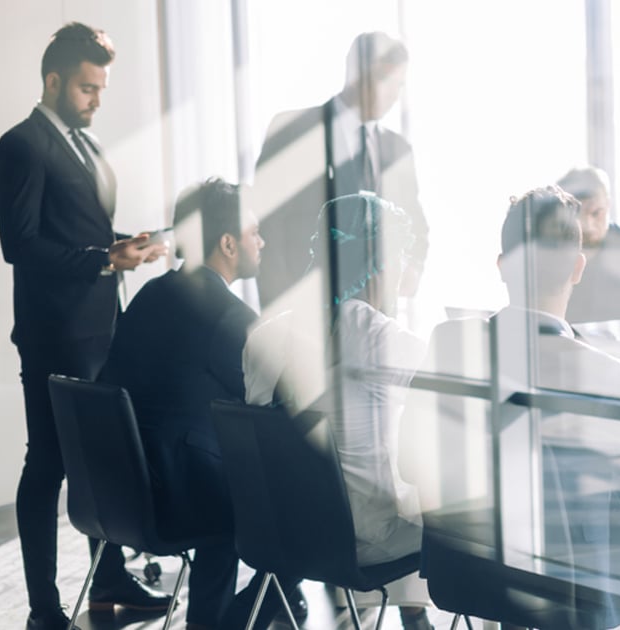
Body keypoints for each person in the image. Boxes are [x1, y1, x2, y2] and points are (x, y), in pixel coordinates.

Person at [398, 186, 620, 628]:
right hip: (572, 582)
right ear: (578, 268)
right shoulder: (594, 368)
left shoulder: (448, 343)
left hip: (466, 570)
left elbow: (409, 462)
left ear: (503, 267)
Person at [0, 22, 170, 629]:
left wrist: (128, 246)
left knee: (101, 461)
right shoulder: (20, 144)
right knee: (47, 464)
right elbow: (20, 245)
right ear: (54, 81)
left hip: (102, 328)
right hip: (55, 335)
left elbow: (82, 234)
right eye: (88, 88)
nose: (98, 99)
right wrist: (102, 260)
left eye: (102, 88)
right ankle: (44, 608)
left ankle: (108, 581)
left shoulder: (84, 146)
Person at [97, 178, 292, 629]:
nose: (261, 241)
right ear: (227, 243)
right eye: (253, 232)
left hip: (121, 493)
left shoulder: (150, 295)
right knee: (301, 511)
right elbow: (273, 403)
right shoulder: (229, 316)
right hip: (179, 499)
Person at [243, 192, 435, 630]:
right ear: (380, 262)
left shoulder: (264, 334)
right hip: (362, 541)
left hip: (284, 533)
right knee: (457, 517)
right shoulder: (385, 339)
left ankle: (413, 616)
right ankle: (419, 617)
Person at [253, 31, 430, 312]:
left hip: (377, 322)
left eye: (400, 85)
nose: (394, 95)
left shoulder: (398, 149)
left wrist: (414, 268)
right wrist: (281, 316)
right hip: (304, 315)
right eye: (385, 79)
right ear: (355, 71)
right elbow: (265, 225)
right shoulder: (293, 131)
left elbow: (415, 221)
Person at [555, 166, 620, 324]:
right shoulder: (552, 259)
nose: (588, 225)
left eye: (596, 213)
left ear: (608, 204)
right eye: (576, 215)